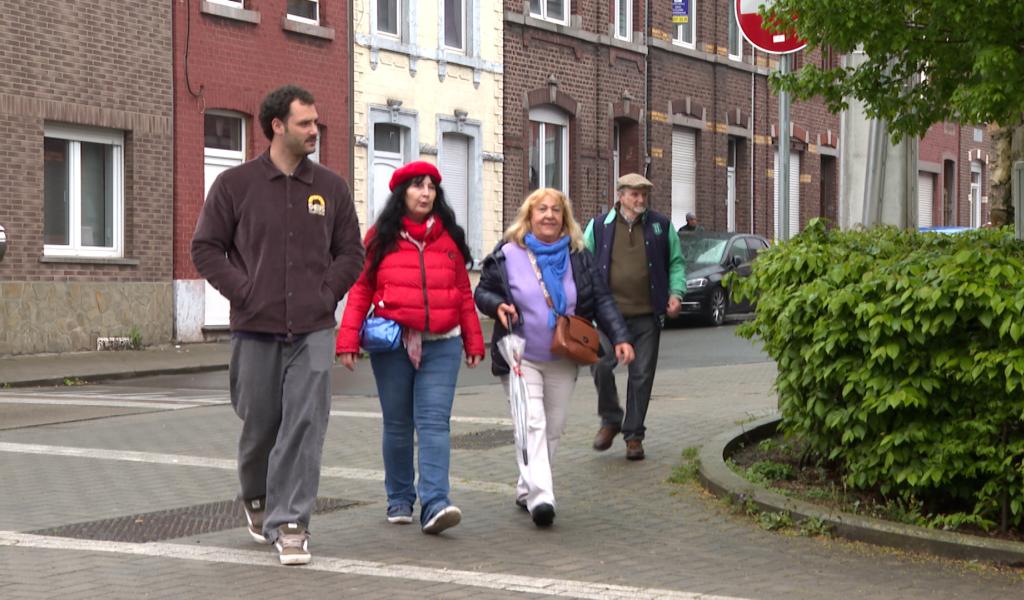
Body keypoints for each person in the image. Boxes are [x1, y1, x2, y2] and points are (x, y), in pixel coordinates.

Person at [191, 84, 364, 566]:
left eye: (315, 122)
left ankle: (291, 523)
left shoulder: (331, 188)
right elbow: (205, 247)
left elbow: (351, 252)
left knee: (305, 424)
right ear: (277, 126)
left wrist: (326, 294)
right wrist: (244, 290)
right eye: (305, 123)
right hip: (255, 327)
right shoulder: (235, 185)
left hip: (313, 329)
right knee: (261, 423)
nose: (314, 130)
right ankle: (256, 494)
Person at [335, 160, 485, 535]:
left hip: (442, 344)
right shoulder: (380, 238)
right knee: (398, 424)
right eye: (418, 186)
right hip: (394, 344)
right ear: (402, 193)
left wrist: (474, 338)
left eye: (431, 187)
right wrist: (347, 339)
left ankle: (435, 503)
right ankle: (400, 497)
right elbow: (361, 290)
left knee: (434, 423)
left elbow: (462, 292)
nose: (425, 193)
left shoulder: (449, 237)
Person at [475, 188, 634, 527]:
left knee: (554, 427)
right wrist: (496, 304)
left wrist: (620, 337)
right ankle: (542, 497)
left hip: (563, 355)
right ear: (529, 216)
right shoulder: (507, 253)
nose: (549, 215)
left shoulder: (579, 256)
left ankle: (527, 487)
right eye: (542, 209)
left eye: (556, 210)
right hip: (520, 355)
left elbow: (602, 300)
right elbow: (483, 291)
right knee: (532, 422)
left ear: (565, 218)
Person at [584, 173, 686, 460]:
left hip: (646, 316)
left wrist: (676, 293)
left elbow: (676, 263)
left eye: (644, 194)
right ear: (620, 196)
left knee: (641, 376)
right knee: (600, 364)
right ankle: (611, 418)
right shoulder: (599, 227)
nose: (640, 199)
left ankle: (634, 436)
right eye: (634, 194)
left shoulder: (661, 226)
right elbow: (583, 264)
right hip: (606, 318)